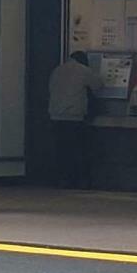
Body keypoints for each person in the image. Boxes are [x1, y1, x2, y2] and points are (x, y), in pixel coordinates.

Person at [47, 50, 105, 188]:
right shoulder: (84, 70)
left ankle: (63, 179)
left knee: (61, 150)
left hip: (56, 116)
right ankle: (79, 180)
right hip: (74, 117)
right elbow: (99, 85)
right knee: (77, 150)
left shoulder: (57, 70)